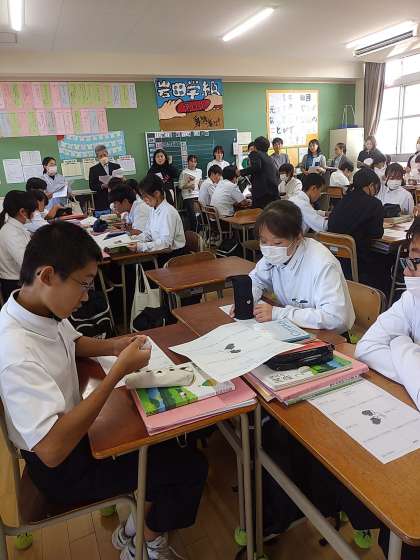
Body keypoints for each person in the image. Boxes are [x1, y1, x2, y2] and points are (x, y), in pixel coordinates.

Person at [0, 221, 208, 560]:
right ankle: (147, 544)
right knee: (190, 468)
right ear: (47, 275)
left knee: (167, 443)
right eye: (83, 284)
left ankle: (133, 530)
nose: (86, 296)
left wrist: (113, 346)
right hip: (63, 468)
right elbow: (52, 450)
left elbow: (73, 342)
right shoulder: (15, 352)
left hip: (75, 437)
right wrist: (118, 372)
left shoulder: (36, 308)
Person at [234, 200, 354, 333]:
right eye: (263, 241)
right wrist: (246, 300)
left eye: (277, 243)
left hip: (326, 334)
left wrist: (278, 313)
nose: (270, 249)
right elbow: (256, 280)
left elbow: (335, 318)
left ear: (298, 237)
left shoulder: (322, 263)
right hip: (292, 328)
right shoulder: (274, 256)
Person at [328, 168, 384, 285]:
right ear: (371, 185)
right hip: (359, 263)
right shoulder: (374, 203)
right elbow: (377, 233)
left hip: (335, 262)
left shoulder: (343, 200)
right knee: (387, 259)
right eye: (376, 188)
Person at [130, 174, 185, 263]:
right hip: (160, 251)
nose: (144, 200)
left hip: (172, 257)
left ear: (157, 193)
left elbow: (166, 243)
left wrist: (141, 247)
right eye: (142, 197)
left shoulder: (168, 212)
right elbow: (148, 233)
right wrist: (133, 239)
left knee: (135, 264)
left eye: (145, 196)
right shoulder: (153, 209)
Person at [0, 190, 36, 301]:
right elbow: (27, 263)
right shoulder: (11, 232)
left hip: (21, 280)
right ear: (22, 212)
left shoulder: (18, 227)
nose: (34, 214)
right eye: (33, 211)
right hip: (15, 285)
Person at [240, 136, 279, 209]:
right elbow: (276, 173)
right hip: (273, 193)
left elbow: (256, 167)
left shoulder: (255, 154)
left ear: (255, 146)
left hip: (262, 194)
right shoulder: (269, 158)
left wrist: (240, 172)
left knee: (259, 213)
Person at [89, 144, 121, 212]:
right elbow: (92, 186)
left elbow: (121, 181)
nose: (103, 157)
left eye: (104, 155)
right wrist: (102, 186)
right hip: (102, 200)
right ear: (97, 157)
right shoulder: (93, 169)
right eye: (100, 156)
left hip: (117, 197)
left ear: (107, 154)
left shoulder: (116, 166)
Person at [179, 154, 202, 230]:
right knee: (193, 216)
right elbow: (180, 186)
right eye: (191, 161)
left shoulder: (199, 171)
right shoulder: (184, 172)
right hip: (188, 196)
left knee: (200, 215)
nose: (193, 163)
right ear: (188, 162)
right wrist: (188, 186)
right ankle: (194, 232)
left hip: (197, 195)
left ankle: (198, 231)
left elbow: (199, 183)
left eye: (195, 162)